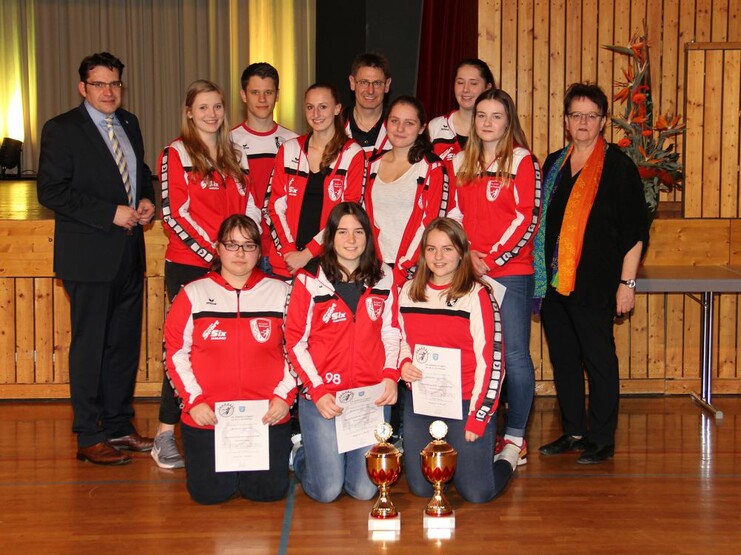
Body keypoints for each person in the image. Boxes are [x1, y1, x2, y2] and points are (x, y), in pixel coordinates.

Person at [37, 52, 155, 465]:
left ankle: (119, 426)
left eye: (115, 84)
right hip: (88, 256)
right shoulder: (62, 129)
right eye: (100, 84)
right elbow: (51, 191)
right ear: (82, 87)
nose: (109, 92)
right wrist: (110, 212)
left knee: (122, 344)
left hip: (128, 253)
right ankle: (89, 434)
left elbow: (140, 172)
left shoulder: (129, 122)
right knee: (90, 347)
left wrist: (146, 200)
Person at [535, 83, 648, 464]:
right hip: (554, 285)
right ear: (566, 121)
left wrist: (627, 284)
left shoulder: (618, 166)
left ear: (602, 121)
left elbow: (635, 233)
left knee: (598, 360)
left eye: (591, 115)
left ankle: (601, 437)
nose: (582, 122)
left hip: (597, 285)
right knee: (564, 359)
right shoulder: (553, 163)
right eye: (576, 115)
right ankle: (574, 430)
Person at [152, 79, 261, 469]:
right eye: (203, 108)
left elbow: (249, 207)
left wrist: (247, 249)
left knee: (231, 350)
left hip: (234, 266)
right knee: (183, 350)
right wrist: (215, 255)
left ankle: (230, 429)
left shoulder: (235, 152)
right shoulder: (175, 153)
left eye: (217, 107)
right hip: (189, 265)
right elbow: (174, 214)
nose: (211, 114)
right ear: (189, 112)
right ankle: (165, 434)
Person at [164, 215, 296, 504]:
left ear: (259, 252)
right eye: (231, 244)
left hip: (265, 416)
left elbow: (298, 350)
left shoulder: (281, 293)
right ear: (217, 248)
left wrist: (284, 397)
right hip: (208, 416)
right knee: (209, 494)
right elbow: (174, 352)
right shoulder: (193, 293)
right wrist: (193, 401)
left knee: (268, 493)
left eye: (248, 245)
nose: (239, 253)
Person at [284, 202, 400, 503]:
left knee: (364, 490)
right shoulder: (309, 279)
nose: (351, 240)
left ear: (368, 237)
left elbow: (391, 331)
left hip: (370, 396)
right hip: (324, 397)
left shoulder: (385, 277)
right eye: (343, 232)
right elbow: (295, 341)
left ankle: (340, 454)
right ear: (331, 237)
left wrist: (390, 376)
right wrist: (318, 390)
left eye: (359, 232)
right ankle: (301, 452)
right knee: (327, 490)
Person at [450, 88, 541, 467]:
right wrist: (466, 253)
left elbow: (528, 216)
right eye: (482, 116)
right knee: (478, 354)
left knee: (515, 356)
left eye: (496, 116)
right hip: (468, 270)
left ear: (509, 121)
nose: (487, 123)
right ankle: (478, 431)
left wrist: (495, 258)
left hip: (511, 272)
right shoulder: (459, 161)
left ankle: (515, 439)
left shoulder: (522, 161)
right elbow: (452, 212)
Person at [398, 217, 515, 503]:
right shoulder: (409, 292)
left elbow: (492, 360)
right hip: (423, 402)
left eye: (447, 249)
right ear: (423, 253)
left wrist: (479, 416)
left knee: (476, 493)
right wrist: (404, 364)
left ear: (462, 252)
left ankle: (508, 456)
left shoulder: (478, 295)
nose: (439, 257)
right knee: (422, 488)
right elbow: (398, 340)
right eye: (431, 249)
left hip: (466, 402)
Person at [264, 83, 365, 279]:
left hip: (330, 262)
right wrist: (289, 251)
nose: (316, 113)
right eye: (310, 107)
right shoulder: (289, 149)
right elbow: (274, 206)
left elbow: (347, 215)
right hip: (287, 262)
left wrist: (307, 254)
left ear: (337, 109)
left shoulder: (353, 154)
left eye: (323, 107)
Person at [364, 96, 449, 287]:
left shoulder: (432, 168)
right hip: (374, 271)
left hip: (415, 273)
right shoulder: (371, 165)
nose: (400, 129)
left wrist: (404, 269)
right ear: (386, 124)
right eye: (395, 121)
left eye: (409, 123)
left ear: (421, 128)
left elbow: (431, 224)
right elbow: (364, 220)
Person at [230, 62, 298, 273]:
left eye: (268, 92)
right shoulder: (229, 142)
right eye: (255, 92)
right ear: (243, 95)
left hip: (283, 252)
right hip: (243, 249)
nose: (262, 99)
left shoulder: (294, 142)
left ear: (277, 95)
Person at [428, 58, 495, 167]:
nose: (465, 89)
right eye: (460, 82)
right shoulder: (435, 126)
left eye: (473, 83)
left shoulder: (498, 128)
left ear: (487, 88)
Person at [344, 52, 393, 158]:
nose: (370, 91)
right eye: (364, 82)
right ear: (352, 82)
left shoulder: (399, 128)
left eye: (377, 83)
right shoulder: (336, 125)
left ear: (387, 85)